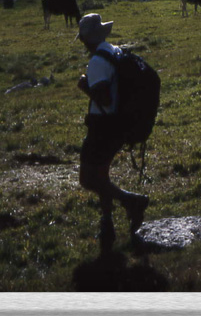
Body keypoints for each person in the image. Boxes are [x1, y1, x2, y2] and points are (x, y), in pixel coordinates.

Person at [75, 13, 149, 254]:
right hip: (119, 124)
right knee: (101, 173)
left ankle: (132, 201)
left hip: (102, 126)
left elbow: (105, 99)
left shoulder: (97, 61)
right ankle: (106, 219)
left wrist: (86, 87)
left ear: (87, 40)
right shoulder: (114, 50)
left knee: (88, 179)